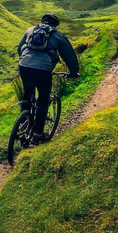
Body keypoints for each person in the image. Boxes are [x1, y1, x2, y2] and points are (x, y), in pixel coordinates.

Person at [16, 13, 80, 144]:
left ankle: (23, 125)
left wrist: (27, 60)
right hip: (43, 70)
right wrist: (73, 72)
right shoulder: (58, 36)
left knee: (27, 94)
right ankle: (38, 134)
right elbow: (69, 57)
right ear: (55, 24)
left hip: (24, 66)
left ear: (42, 21)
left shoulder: (30, 30)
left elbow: (20, 48)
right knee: (43, 99)